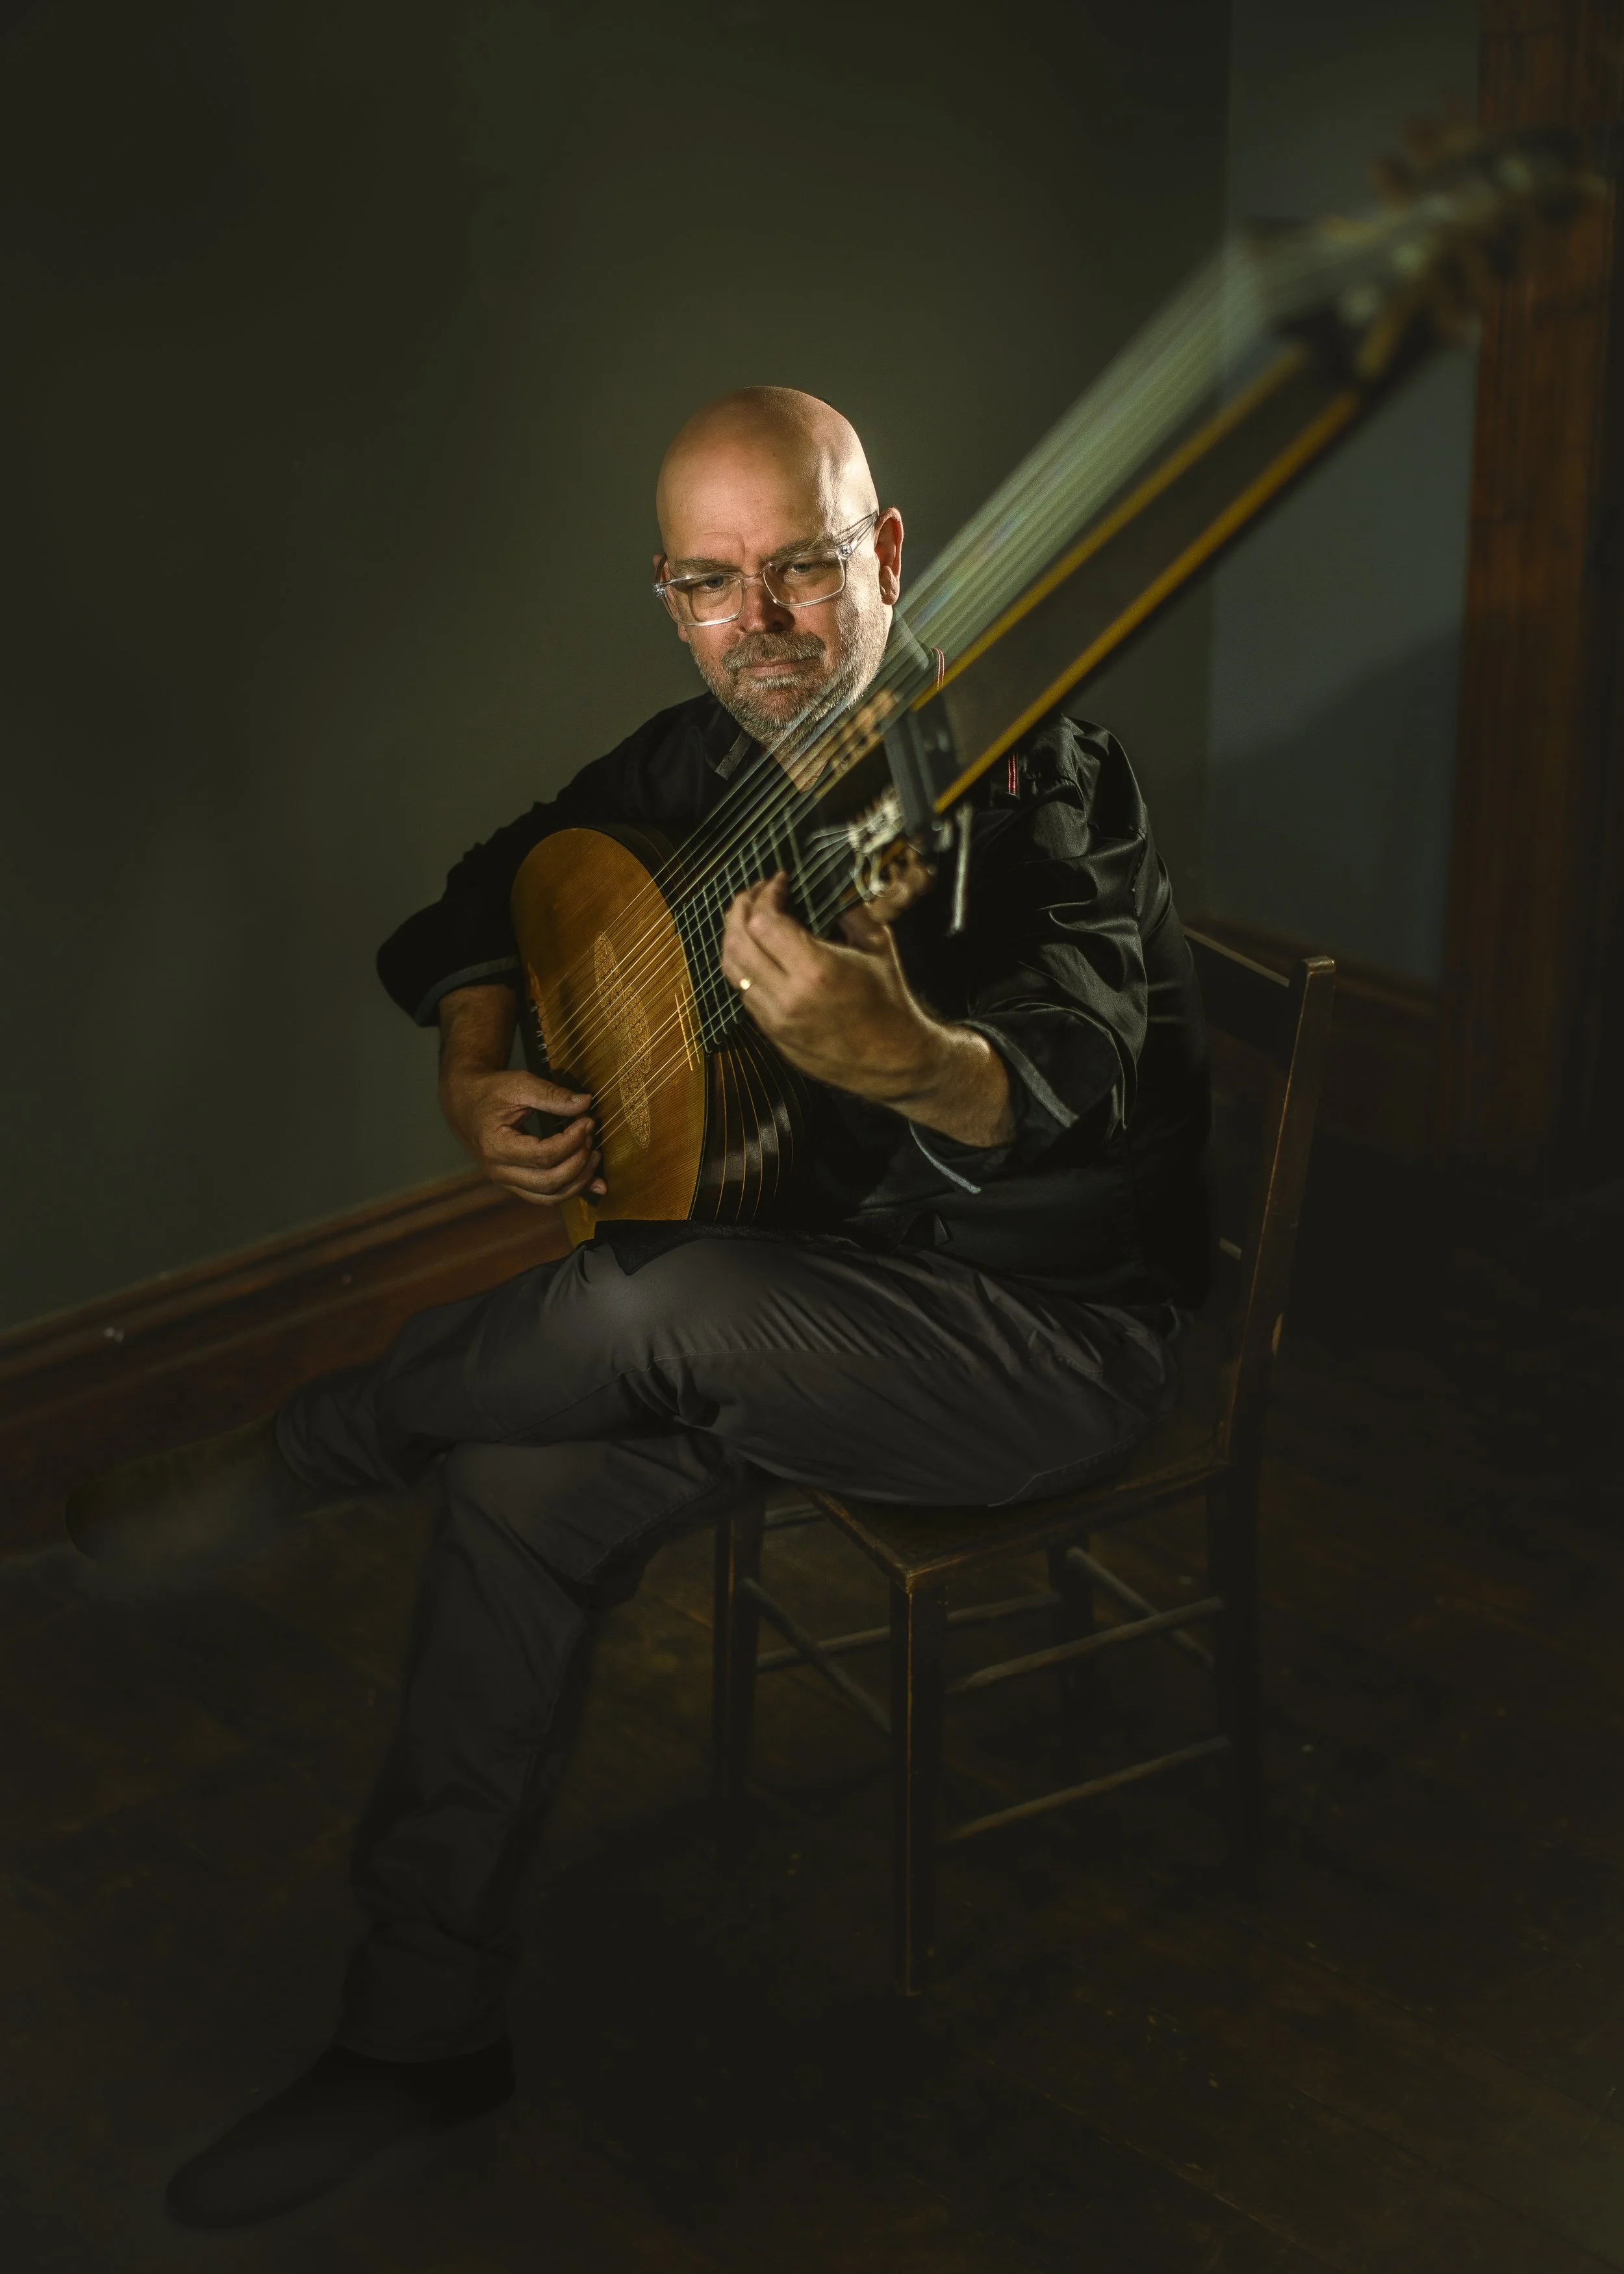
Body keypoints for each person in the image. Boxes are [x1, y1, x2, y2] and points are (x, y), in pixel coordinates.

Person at [66, 387, 1210, 2229]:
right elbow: (485, 891)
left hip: (1047, 1343)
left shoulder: (1038, 766)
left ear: (887, 555)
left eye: (803, 570)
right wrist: (474, 1055)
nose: (759, 625)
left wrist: (907, 1055)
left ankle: (306, 1449)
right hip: (795, 1306)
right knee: (518, 1482)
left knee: (631, 1299)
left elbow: (1070, 1061)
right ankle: (416, 2027)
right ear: (669, 597)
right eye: (709, 581)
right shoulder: (694, 761)